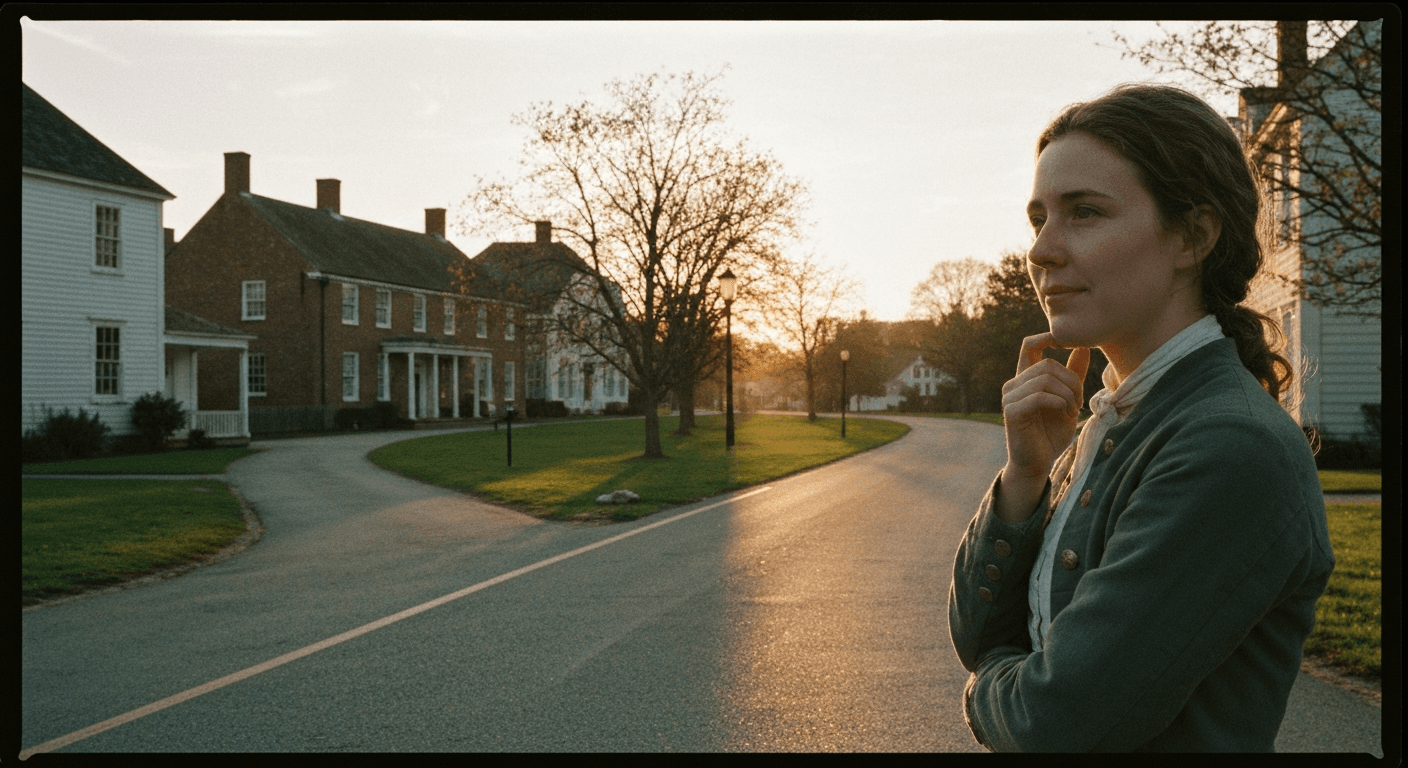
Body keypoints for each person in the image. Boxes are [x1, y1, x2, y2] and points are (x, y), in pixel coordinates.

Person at [947, 84, 1334, 752]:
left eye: (1084, 213)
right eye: (1038, 218)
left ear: (1192, 236)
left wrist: (984, 693)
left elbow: (1059, 720)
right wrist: (1026, 476)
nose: (1041, 250)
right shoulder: (1109, 421)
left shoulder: (1227, 445)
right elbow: (979, 635)